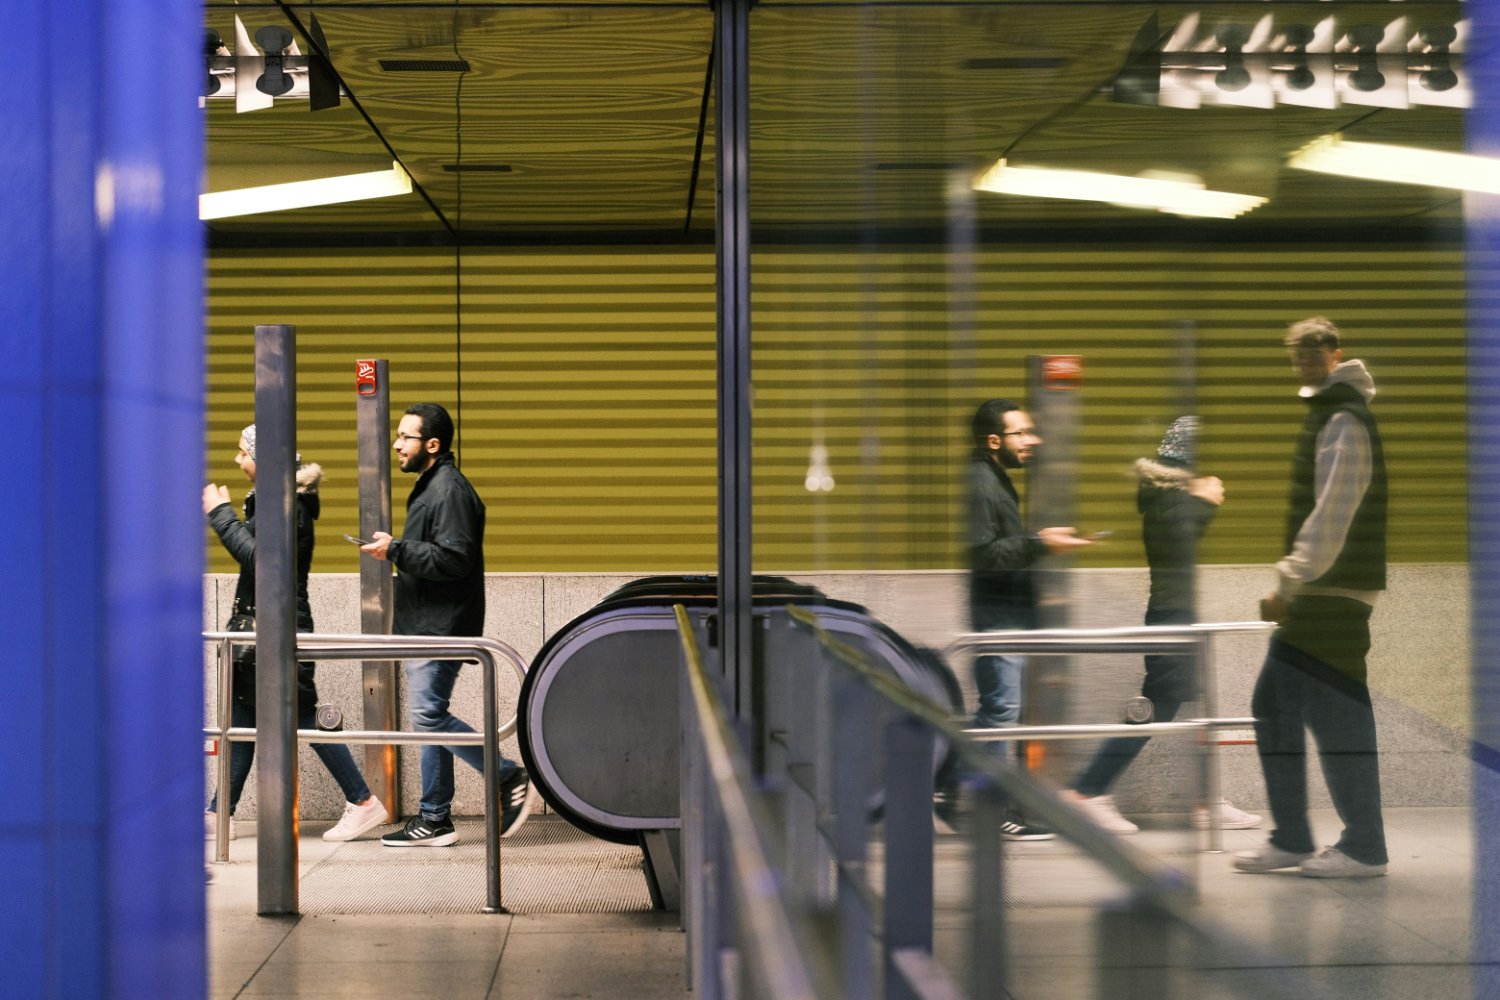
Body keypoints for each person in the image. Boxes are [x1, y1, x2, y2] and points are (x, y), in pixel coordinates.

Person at [1234, 317, 1389, 878]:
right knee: (1281, 706)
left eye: (1315, 349)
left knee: (1331, 717)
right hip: (1329, 590)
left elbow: (1332, 512)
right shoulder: (1331, 412)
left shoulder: (1344, 417)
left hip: (1332, 591)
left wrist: (1290, 581)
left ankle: (1362, 846)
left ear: (1335, 352)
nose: (1305, 358)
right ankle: (1299, 836)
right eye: (1297, 351)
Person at [1062, 417, 1260, 834]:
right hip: (1171, 616)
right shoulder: (1171, 499)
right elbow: (1178, 537)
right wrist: (1204, 502)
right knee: (1158, 708)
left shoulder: (1167, 493)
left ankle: (1207, 801)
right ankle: (1089, 790)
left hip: (1177, 615)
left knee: (1197, 706)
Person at [204, 425, 387, 843]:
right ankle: (219, 813)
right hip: (261, 624)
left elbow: (258, 558)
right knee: (243, 718)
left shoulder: (288, 505)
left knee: (302, 713)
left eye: (242, 452)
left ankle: (363, 802)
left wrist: (220, 512)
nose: (237, 460)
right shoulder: (279, 500)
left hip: (277, 625)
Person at [362, 402, 532, 846]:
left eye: (406, 437)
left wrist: (396, 549)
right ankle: (435, 818)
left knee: (426, 715)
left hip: (440, 626)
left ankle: (507, 775)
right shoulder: (432, 485)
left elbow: (456, 558)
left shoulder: (449, 490)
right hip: (425, 622)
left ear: (432, 444)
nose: (397, 444)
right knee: (427, 718)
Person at [963, 398, 1093, 840]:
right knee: (1000, 713)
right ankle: (988, 808)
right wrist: (1039, 543)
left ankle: (967, 793)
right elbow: (984, 554)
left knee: (997, 713)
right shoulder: (981, 482)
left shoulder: (994, 479)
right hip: (996, 615)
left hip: (1005, 613)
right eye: (1021, 433)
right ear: (995, 440)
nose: (1031, 440)